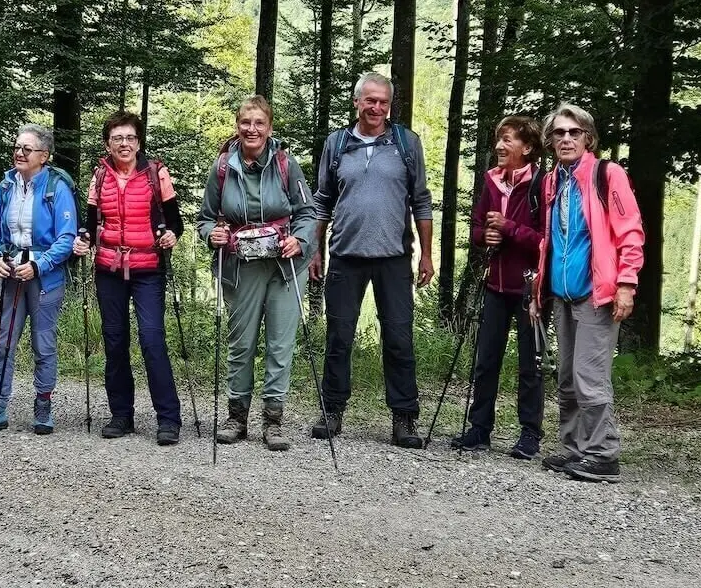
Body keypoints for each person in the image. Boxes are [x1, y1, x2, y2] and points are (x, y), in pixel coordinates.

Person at [309, 72, 434, 449]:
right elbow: (322, 201)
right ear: (357, 102)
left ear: (389, 105)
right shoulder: (337, 143)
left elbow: (421, 200)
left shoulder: (405, 143)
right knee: (339, 337)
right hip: (345, 256)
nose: (376, 107)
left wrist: (426, 253)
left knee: (399, 338)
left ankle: (404, 417)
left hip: (394, 257)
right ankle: (332, 409)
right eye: (370, 100)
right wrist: (316, 248)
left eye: (383, 101)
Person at [531, 104, 644, 483]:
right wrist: (538, 290)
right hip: (562, 292)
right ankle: (574, 449)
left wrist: (627, 283)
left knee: (588, 376)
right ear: (550, 140)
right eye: (559, 133)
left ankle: (603, 455)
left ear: (588, 138)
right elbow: (550, 241)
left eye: (574, 132)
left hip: (598, 293)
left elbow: (630, 230)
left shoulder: (606, 174)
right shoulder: (552, 181)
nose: (566, 138)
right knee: (566, 377)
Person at [196, 96, 316, 451]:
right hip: (240, 267)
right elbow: (205, 217)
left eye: (259, 123)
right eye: (245, 122)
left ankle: (273, 420)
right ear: (237, 125)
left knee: (280, 344)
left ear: (269, 127)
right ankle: (237, 417)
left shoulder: (285, 165)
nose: (252, 129)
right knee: (241, 342)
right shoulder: (221, 168)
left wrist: (300, 240)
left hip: (285, 266)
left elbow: (308, 213)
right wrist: (211, 234)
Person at [72, 111, 184, 446]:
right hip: (109, 269)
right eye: (117, 138)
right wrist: (83, 241)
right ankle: (121, 415)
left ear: (139, 142)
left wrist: (171, 237)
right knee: (115, 340)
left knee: (152, 340)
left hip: (148, 267)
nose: (124, 144)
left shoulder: (155, 173)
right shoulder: (100, 176)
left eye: (130, 138)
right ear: (108, 143)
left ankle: (168, 419)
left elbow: (176, 223)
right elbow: (90, 225)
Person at [0, 124, 77, 435]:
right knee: (4, 341)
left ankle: (43, 407)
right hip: (11, 270)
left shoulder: (57, 188)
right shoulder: (6, 186)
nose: (19, 153)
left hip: (45, 276)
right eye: (17, 147)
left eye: (27, 149)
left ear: (43, 155)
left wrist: (39, 265)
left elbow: (66, 238)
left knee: (43, 343)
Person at [452, 116, 545, 459]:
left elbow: (545, 241)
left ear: (528, 148)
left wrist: (508, 228)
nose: (499, 146)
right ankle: (480, 429)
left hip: (529, 287)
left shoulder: (541, 185)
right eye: (498, 140)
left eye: (508, 140)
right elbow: (477, 227)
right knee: (486, 359)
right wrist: (484, 236)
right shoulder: (491, 181)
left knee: (529, 363)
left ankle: (530, 434)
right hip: (494, 283)